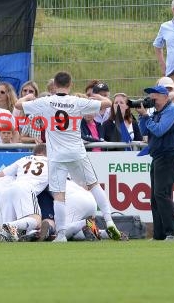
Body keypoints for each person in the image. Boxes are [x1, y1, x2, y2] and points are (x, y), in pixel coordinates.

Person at [15, 71, 121, 242]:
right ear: (70, 85)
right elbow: (107, 103)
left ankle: (62, 234)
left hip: (56, 155)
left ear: (54, 85)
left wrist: (28, 98)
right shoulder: (77, 101)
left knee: (59, 195)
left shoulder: (46, 102)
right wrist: (94, 95)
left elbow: (19, 105)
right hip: (76, 151)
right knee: (93, 185)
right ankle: (109, 222)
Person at [136, 85, 174, 241]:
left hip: (168, 156)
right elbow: (144, 132)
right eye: (150, 95)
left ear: (165, 96)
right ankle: (160, 234)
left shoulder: (171, 111)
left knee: (161, 194)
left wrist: (146, 117)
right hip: (158, 156)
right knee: (156, 197)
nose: (151, 98)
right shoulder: (157, 112)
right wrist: (142, 116)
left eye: (154, 95)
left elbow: (159, 130)